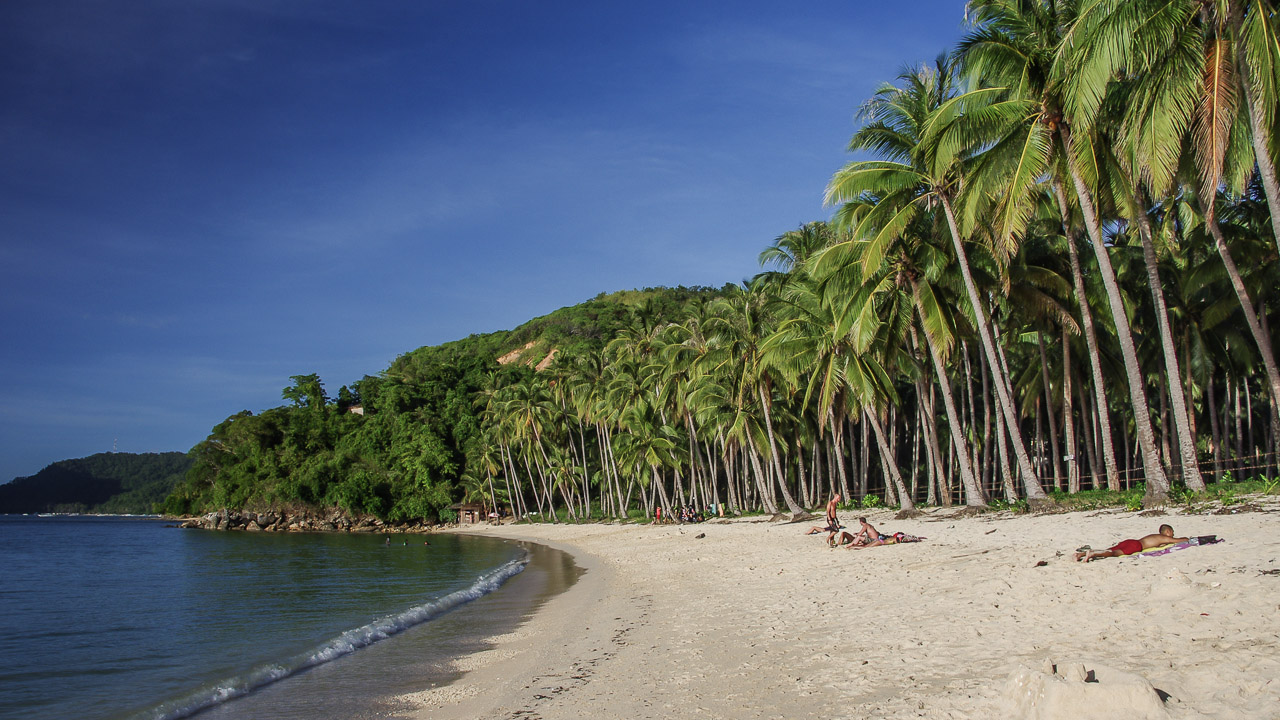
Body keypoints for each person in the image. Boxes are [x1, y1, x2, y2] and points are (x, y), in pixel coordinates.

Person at [1075, 524, 1188, 562]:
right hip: (1136, 546)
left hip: (1130, 541)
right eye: (1172, 532)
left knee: (1110, 550)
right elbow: (1178, 541)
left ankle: (1081, 554)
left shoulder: (1156, 537)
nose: (1173, 535)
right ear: (1167, 532)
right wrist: (1187, 538)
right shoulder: (1164, 538)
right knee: (1114, 553)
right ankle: (1092, 554)